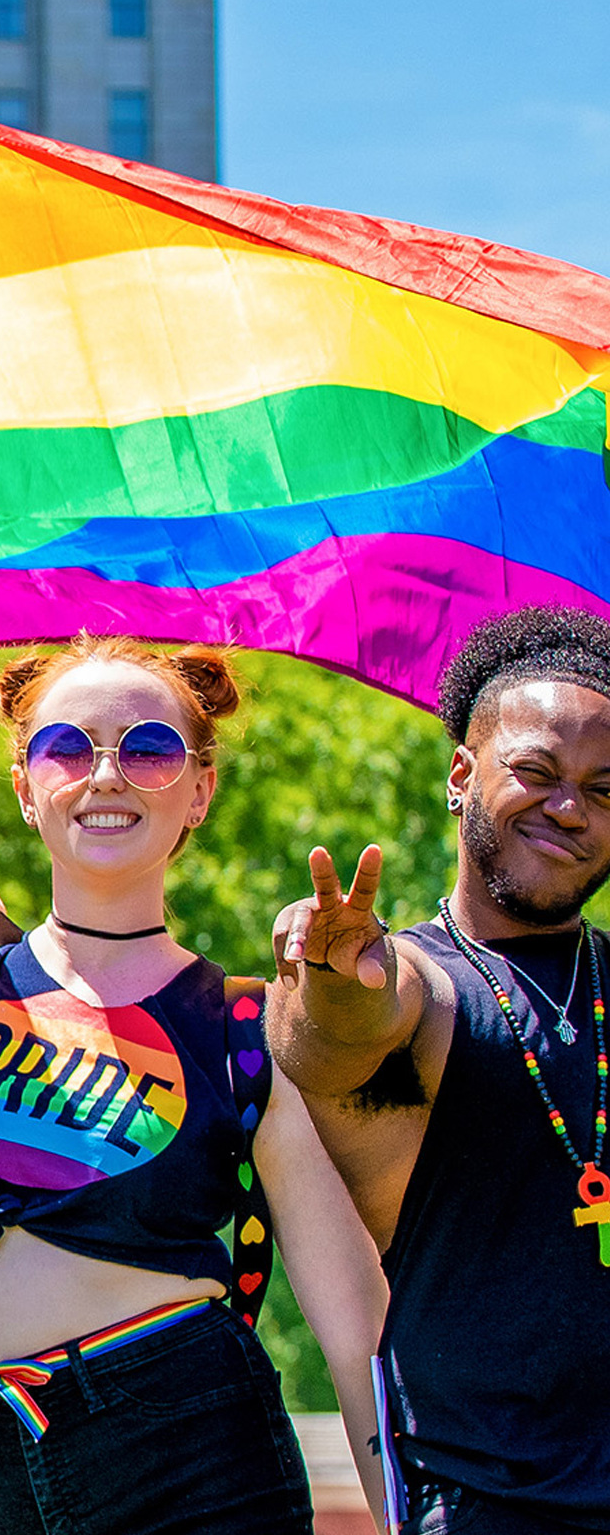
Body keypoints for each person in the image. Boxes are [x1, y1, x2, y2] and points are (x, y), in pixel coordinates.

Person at [0, 244, 387, 1533]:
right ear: (27, 784)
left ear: (196, 790)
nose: (108, 771)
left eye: (148, 747)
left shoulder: (249, 1028)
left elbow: (358, 1340)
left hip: (184, 1449)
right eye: (68, 745)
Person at [269, 607, 610, 1535]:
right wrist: (335, 981)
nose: (570, 807)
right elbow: (336, 1046)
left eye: (602, 789)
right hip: (489, 1505)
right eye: (536, 772)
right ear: (463, 775)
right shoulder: (421, 984)